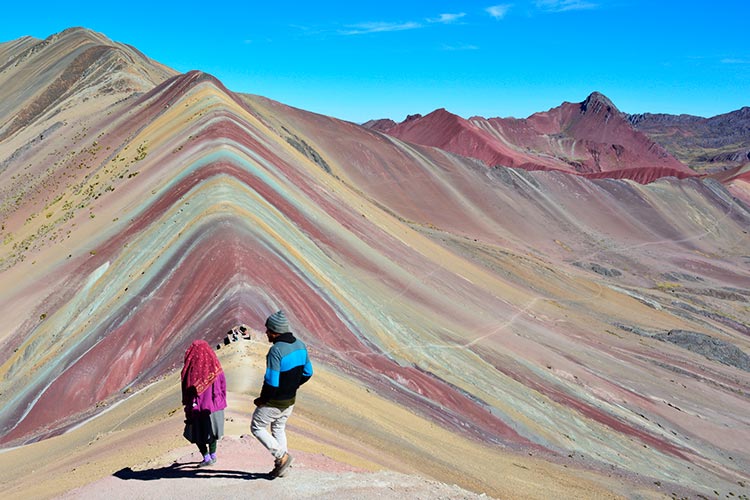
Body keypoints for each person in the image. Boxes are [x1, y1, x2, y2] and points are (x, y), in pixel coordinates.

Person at [251, 310, 313, 478]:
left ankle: (282, 456)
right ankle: (282, 467)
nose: (266, 333)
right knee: (278, 427)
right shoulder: (300, 344)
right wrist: (293, 385)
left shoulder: (276, 351)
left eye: (268, 330)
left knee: (257, 427)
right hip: (290, 400)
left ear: (275, 331)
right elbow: (308, 372)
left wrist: (262, 400)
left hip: (275, 401)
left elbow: (272, 381)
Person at [181, 339, 227, 467]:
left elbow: (187, 389)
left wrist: (189, 406)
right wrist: (221, 400)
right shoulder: (216, 367)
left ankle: (206, 457)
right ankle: (213, 455)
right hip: (215, 406)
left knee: (197, 433)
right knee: (212, 432)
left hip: (197, 409)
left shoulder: (191, 371)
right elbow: (223, 385)